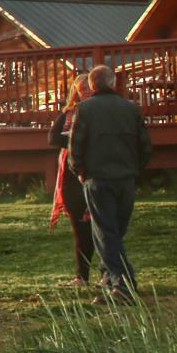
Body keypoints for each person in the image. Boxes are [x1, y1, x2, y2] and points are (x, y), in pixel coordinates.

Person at [68, 64, 152, 300]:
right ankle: (110, 278)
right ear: (113, 82)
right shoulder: (130, 109)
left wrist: (80, 172)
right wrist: (135, 169)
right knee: (115, 231)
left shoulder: (84, 109)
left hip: (98, 179)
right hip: (126, 178)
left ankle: (122, 285)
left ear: (92, 85)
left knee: (106, 234)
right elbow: (145, 146)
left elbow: (74, 147)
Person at [47, 73, 97, 287]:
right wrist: (74, 141)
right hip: (70, 174)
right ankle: (81, 276)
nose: (83, 91)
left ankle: (108, 273)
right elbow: (52, 137)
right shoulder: (68, 113)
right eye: (80, 88)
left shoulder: (98, 111)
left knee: (100, 227)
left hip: (93, 171)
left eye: (87, 87)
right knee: (80, 228)